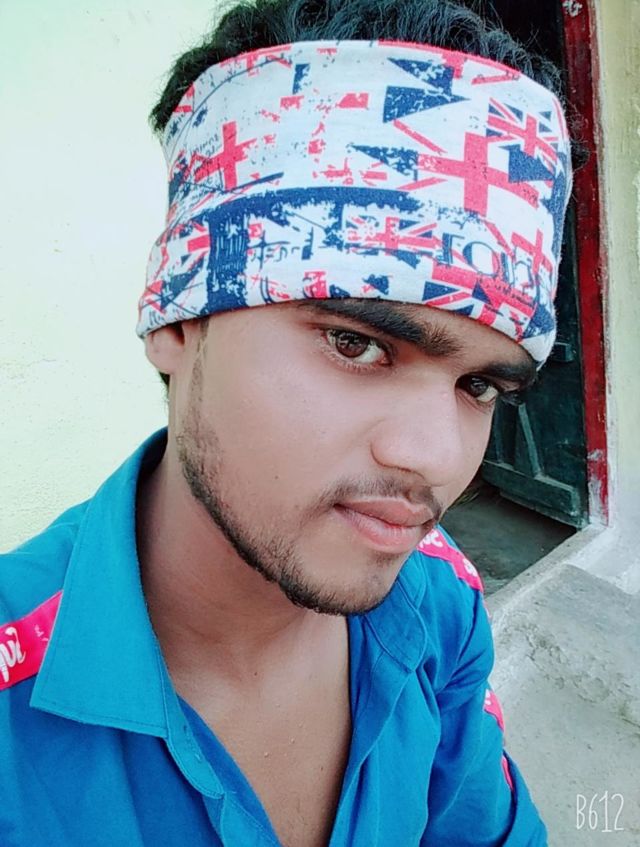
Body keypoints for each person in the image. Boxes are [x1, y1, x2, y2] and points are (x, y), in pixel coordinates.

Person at [0, 1, 573, 844]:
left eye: (480, 385)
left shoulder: (440, 599)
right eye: (355, 343)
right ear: (176, 318)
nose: (433, 456)